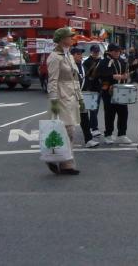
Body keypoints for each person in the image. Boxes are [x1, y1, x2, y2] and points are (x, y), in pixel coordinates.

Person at [46, 27, 82, 175]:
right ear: (62, 39)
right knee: (67, 129)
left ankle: (62, 160)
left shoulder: (69, 55)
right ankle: (62, 161)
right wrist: (53, 100)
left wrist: (80, 97)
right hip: (61, 96)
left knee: (69, 130)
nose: (72, 38)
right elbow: (52, 80)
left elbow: (75, 78)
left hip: (71, 96)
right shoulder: (55, 57)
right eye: (70, 36)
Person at [96, 44, 132, 145]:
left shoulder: (121, 61)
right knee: (110, 114)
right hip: (109, 91)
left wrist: (126, 76)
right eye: (115, 51)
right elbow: (99, 75)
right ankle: (108, 134)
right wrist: (112, 76)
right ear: (109, 51)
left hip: (121, 91)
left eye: (118, 51)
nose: (117, 53)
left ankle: (122, 134)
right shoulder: (103, 62)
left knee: (123, 113)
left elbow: (125, 74)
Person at [72, 47, 100, 148]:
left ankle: (88, 140)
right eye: (78, 54)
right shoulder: (69, 66)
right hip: (71, 96)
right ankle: (63, 141)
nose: (80, 56)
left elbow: (88, 79)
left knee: (84, 118)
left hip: (82, 95)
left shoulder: (82, 66)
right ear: (72, 55)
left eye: (81, 54)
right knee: (68, 120)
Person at [83, 44, 103, 137]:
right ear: (91, 52)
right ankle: (94, 128)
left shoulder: (101, 61)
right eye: (94, 51)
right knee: (92, 109)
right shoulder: (87, 62)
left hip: (99, 88)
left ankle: (91, 126)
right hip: (90, 88)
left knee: (96, 108)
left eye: (97, 51)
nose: (96, 53)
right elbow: (85, 75)